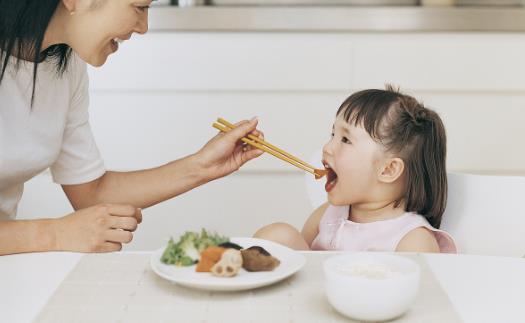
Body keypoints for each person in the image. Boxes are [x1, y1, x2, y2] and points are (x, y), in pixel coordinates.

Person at [0, 0, 263, 255]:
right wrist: (56, 234)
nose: (143, 27)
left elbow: (92, 194)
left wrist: (202, 166)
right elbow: (73, 220)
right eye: (140, 7)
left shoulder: (67, 66)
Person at [254, 85, 457, 253]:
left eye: (345, 139)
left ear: (388, 170)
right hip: (315, 298)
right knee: (278, 235)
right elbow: (301, 266)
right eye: (332, 134)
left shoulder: (413, 240)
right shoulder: (327, 215)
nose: (327, 147)